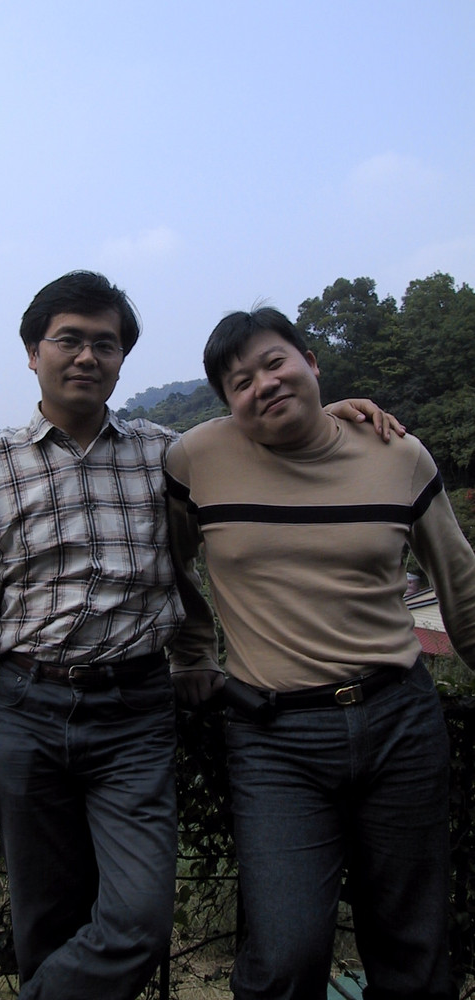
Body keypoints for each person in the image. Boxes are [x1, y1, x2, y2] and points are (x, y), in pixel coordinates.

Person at [0, 272, 397, 1000]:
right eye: (69, 340)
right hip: (26, 706)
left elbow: (265, 444)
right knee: (46, 921)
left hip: (134, 710)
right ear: (32, 352)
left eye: (105, 343)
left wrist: (332, 411)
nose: (87, 356)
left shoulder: (169, 455)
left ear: (122, 359)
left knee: (139, 921)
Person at [165, 306, 475, 1000]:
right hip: (275, 738)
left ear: (311, 361)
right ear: (227, 404)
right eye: (240, 382)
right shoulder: (195, 460)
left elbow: (461, 586)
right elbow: (169, 566)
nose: (263, 385)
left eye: (275, 363)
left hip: (399, 722)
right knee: (285, 954)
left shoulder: (398, 454)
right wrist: (193, 653)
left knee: (413, 948)